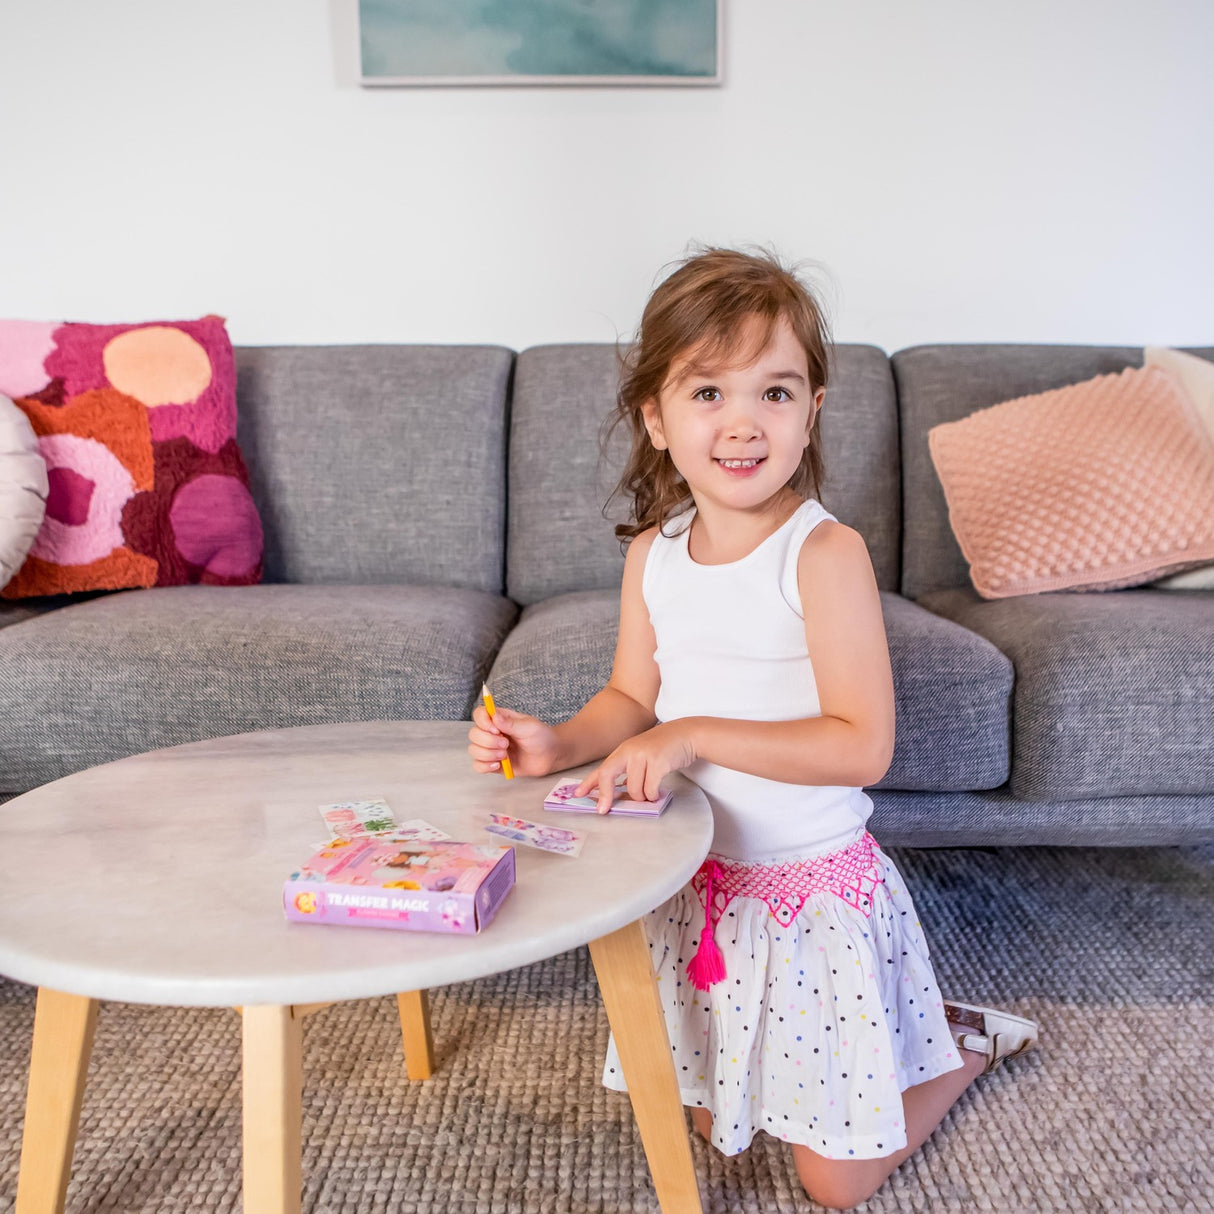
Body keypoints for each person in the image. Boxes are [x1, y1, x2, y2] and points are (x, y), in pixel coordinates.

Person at [468, 248, 1037, 1210]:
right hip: (699, 889)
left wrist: (693, 735)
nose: (742, 422)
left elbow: (863, 745)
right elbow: (629, 701)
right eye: (707, 392)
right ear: (656, 418)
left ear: (812, 408)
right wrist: (560, 743)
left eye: (775, 392)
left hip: (812, 899)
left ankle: (957, 1045)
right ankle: (900, 1037)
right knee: (710, 1123)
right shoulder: (655, 554)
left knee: (834, 1184)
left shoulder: (823, 553)